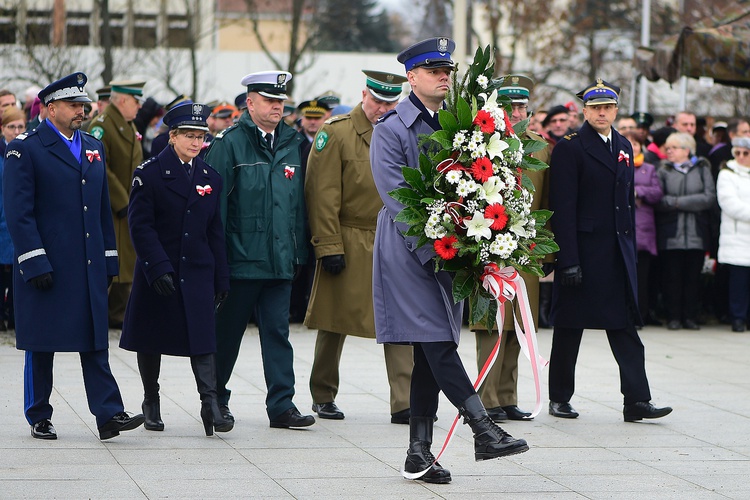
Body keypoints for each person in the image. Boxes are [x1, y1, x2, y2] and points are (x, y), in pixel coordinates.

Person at [371, 37, 528, 485]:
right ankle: (483, 428)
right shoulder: (391, 128)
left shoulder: (459, 125)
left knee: (431, 348)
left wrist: (475, 249)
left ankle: (418, 452)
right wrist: (438, 252)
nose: (444, 76)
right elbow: (398, 200)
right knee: (436, 339)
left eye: (448, 69)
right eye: (433, 69)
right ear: (411, 77)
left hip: (450, 253)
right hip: (409, 249)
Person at [3, 72, 144, 440]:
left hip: (86, 264)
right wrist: (33, 260)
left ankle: (109, 414)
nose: (82, 110)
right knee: (41, 343)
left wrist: (110, 258)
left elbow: (101, 208)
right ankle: (39, 415)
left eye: (83, 105)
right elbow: (19, 213)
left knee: (95, 340)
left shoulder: (91, 145)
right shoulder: (26, 147)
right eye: (73, 105)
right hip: (47, 263)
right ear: (51, 109)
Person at [547, 78, 672, 422]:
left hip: (615, 252)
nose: (602, 113)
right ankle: (559, 397)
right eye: (596, 108)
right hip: (584, 253)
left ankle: (636, 399)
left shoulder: (622, 144)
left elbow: (625, 206)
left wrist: (628, 250)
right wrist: (568, 259)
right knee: (570, 327)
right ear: (584, 111)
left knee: (624, 326)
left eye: (608, 107)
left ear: (616, 110)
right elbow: (563, 207)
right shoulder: (570, 147)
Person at [205, 70, 314, 429]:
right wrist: (217, 261)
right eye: (269, 101)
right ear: (249, 103)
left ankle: (282, 405)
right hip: (239, 260)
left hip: (279, 260)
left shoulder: (293, 143)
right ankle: (215, 400)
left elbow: (297, 205)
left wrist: (297, 254)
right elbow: (215, 210)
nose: (277, 107)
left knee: (278, 334)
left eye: (281, 101)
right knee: (227, 334)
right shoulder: (229, 144)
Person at [304, 69, 413, 423]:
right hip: (349, 236)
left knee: (401, 320)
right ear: (363, 94)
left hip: (393, 235)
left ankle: (405, 401)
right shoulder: (336, 133)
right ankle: (323, 393)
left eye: (390, 102)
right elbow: (322, 194)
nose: (382, 108)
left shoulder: (401, 131)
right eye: (377, 100)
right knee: (334, 319)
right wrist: (328, 245)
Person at [119, 102, 233, 436]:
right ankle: (151, 400)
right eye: (189, 136)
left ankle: (210, 403)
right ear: (173, 136)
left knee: (203, 339)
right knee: (151, 337)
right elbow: (141, 227)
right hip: (160, 269)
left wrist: (221, 277)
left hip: (197, 269)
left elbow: (215, 230)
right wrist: (157, 267)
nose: (196, 143)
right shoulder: (149, 173)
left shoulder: (210, 176)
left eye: (201, 137)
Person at [473, 74, 550, 423]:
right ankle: (485, 399)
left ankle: (507, 397)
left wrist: (546, 254)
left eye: (522, 106)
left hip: (525, 247)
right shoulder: (479, 142)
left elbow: (546, 202)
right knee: (491, 326)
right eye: (510, 107)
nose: (518, 113)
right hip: (488, 246)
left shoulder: (538, 145)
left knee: (519, 326)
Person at [88, 80, 146, 329]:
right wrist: (122, 199)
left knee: (127, 262)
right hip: (112, 207)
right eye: (136, 101)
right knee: (112, 262)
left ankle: (118, 314)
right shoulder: (101, 126)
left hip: (130, 206)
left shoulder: (128, 125)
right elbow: (99, 165)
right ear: (122, 100)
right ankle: (101, 314)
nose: (139, 106)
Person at [655, 132, 716, 330]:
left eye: (673, 148)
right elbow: (660, 201)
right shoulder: (663, 170)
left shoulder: (702, 169)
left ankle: (690, 316)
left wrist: (678, 202)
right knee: (672, 277)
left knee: (693, 279)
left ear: (686, 150)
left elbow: (708, 198)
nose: (668, 151)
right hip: (671, 233)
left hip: (696, 234)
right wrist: (688, 202)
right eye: (667, 147)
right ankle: (673, 317)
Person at [625, 130, 663, 326]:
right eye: (629, 144)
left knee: (643, 277)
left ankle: (642, 314)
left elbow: (657, 192)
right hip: (623, 227)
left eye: (636, 144)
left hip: (644, 228)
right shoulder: (618, 165)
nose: (633, 148)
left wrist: (638, 191)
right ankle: (626, 314)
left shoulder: (649, 168)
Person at [716, 136, 750, 332]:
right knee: (739, 282)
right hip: (737, 237)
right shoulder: (727, 173)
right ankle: (737, 317)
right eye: (738, 153)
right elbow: (729, 203)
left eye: (746, 153)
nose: (742, 157)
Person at [0, 106, 26, 331]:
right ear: (3, 129)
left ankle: (17, 317)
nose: (16, 131)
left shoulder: (28, 151)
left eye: (20, 126)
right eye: (11, 127)